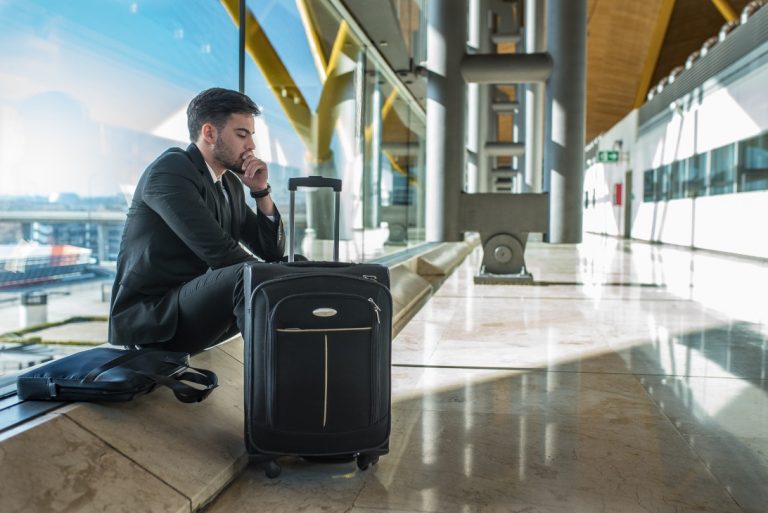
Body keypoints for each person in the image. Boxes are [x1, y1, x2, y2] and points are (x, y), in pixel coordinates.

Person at [108, 87, 285, 354]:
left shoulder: (230, 185)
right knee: (248, 275)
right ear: (209, 133)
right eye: (242, 134)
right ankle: (274, 382)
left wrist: (261, 191)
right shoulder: (171, 170)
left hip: (192, 310)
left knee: (294, 264)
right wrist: (281, 279)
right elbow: (220, 253)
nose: (251, 145)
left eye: (251, 135)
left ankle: (309, 369)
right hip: (154, 318)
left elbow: (272, 251)